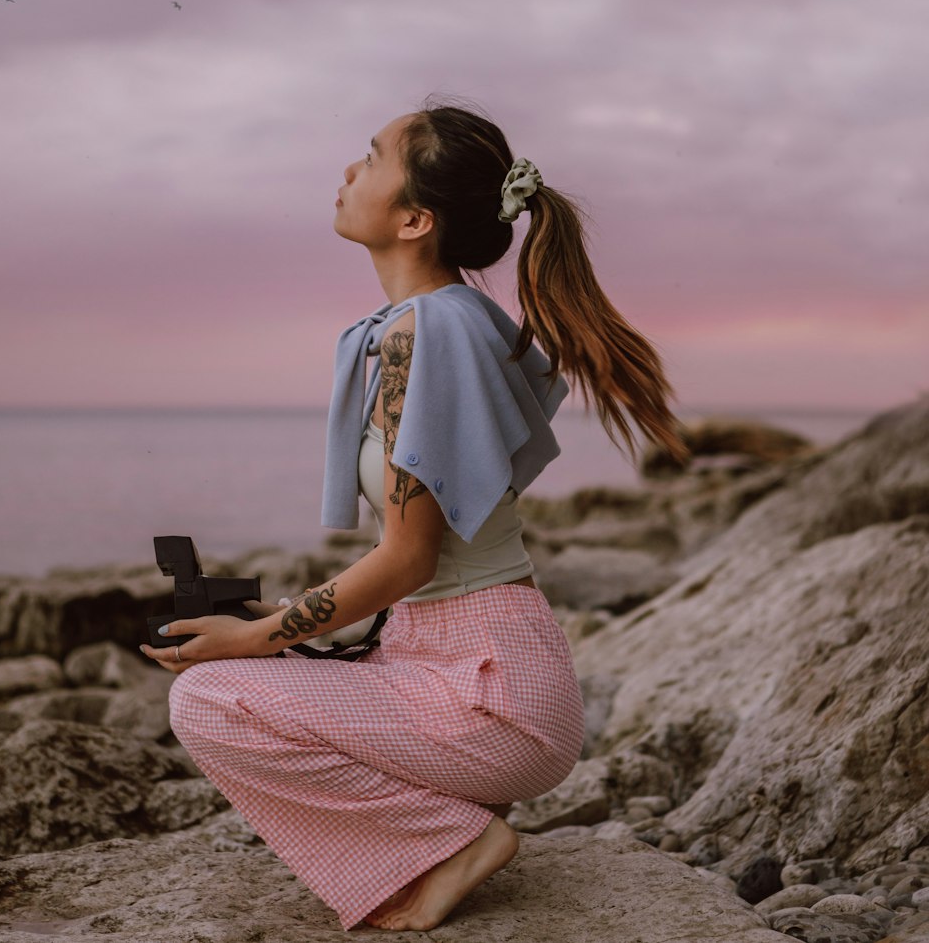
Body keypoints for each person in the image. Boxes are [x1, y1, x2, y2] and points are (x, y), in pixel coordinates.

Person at [140, 98, 688, 931]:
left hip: (489, 696)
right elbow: (430, 553)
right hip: (463, 662)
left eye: (369, 157)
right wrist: (282, 620)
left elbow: (410, 560)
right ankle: (447, 835)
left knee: (208, 701)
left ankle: (453, 844)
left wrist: (261, 637)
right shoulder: (450, 322)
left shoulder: (422, 334)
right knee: (244, 677)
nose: (348, 171)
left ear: (414, 218)